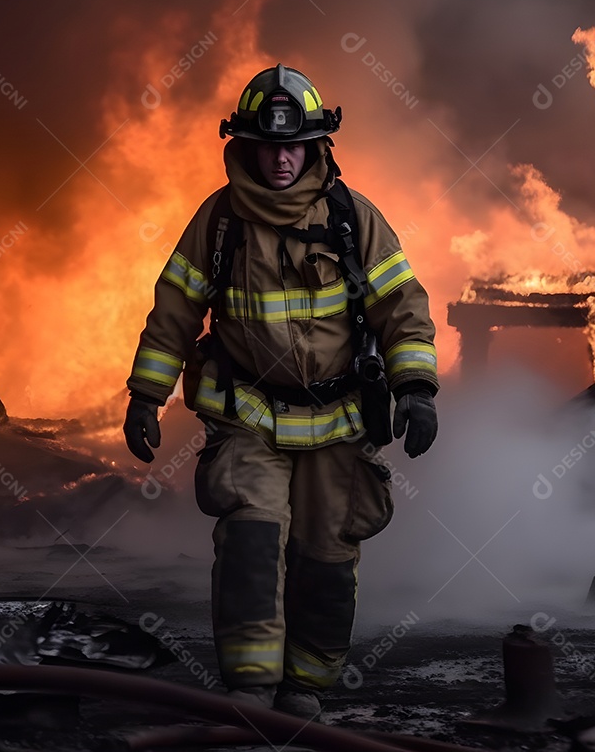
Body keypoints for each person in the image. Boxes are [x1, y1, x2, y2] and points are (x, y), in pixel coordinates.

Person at [123, 64, 439, 720]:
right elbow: (174, 310)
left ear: (318, 145)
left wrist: (416, 387)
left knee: (327, 555)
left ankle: (305, 688)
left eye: (294, 145)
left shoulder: (354, 219)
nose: (281, 159)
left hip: (338, 421)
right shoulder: (219, 222)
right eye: (268, 146)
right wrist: (146, 394)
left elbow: (402, 308)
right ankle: (250, 690)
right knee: (250, 542)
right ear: (245, 146)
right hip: (250, 415)